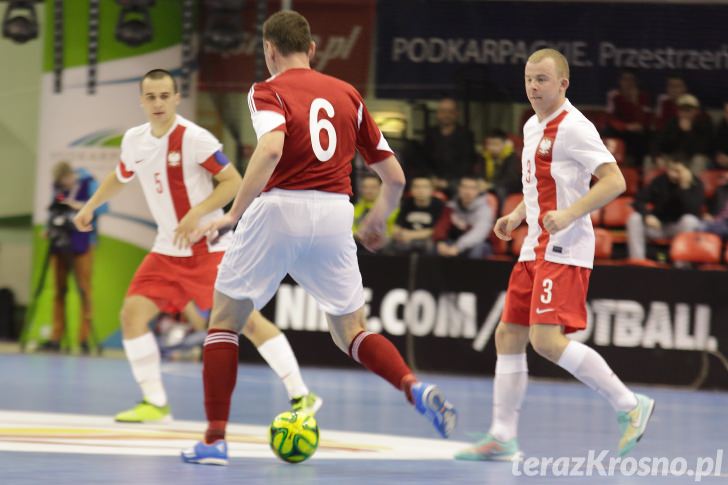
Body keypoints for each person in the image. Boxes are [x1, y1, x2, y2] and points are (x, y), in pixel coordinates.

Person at [180, 10, 456, 466]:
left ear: (269, 50)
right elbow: (396, 177)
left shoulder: (266, 90)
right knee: (351, 332)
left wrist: (233, 213)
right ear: (312, 49)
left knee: (225, 322)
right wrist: (378, 220)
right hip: (333, 213)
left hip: (279, 207)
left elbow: (270, 149)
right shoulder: (347, 93)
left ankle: (214, 441)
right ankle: (413, 385)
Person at [74, 69, 320, 423]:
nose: (158, 102)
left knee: (247, 322)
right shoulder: (134, 140)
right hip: (167, 250)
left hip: (211, 249)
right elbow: (120, 175)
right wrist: (90, 206)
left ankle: (302, 394)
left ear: (176, 98)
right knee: (132, 315)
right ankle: (155, 403)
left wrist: (196, 213)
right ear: (142, 100)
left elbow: (233, 182)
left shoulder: (195, 138)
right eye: (151, 96)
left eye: (164, 96)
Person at [455, 49, 654, 462]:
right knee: (507, 334)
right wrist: (513, 217)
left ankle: (630, 404)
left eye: (542, 79)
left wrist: (568, 214)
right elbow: (538, 190)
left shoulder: (576, 128)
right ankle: (502, 437)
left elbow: (614, 181)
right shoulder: (531, 126)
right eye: (529, 78)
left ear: (563, 83)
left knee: (545, 341)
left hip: (564, 248)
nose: (533, 86)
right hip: (533, 247)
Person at [40, 161, 106, 353]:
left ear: (71, 176)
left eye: (67, 182)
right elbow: (55, 210)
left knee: (84, 290)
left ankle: (84, 338)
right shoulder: (58, 187)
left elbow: (103, 208)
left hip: (84, 242)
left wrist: (80, 206)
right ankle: (56, 337)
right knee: (59, 291)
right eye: (62, 184)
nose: (65, 187)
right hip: (61, 242)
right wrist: (48, 228)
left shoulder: (88, 182)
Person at [626, 154, 704, 261]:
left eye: (677, 171)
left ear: (687, 171)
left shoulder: (695, 184)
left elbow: (693, 210)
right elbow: (638, 200)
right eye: (671, 169)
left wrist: (684, 187)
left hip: (678, 227)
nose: (672, 174)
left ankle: (682, 263)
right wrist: (647, 216)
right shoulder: (660, 181)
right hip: (658, 225)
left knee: (690, 220)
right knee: (634, 218)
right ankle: (637, 261)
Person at [423, 96, 478, 192]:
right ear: (437, 114)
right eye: (443, 111)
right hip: (433, 180)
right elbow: (423, 160)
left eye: (450, 112)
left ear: (457, 113)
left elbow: (468, 162)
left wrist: (448, 182)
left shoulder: (466, 134)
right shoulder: (430, 134)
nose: (446, 115)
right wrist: (432, 177)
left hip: (457, 181)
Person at [433, 176, 494, 258]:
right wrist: (440, 242)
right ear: (458, 189)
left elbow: (479, 233)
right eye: (464, 187)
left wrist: (458, 247)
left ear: (478, 191)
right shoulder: (450, 206)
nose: (468, 191)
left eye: (472, 188)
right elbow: (442, 226)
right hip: (453, 241)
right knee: (435, 247)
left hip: (477, 243)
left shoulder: (486, 210)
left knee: (477, 249)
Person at [656, 94, 713, 174]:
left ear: (697, 111)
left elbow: (700, 150)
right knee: (651, 159)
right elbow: (661, 143)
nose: (684, 113)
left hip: (694, 159)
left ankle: (692, 186)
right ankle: (655, 186)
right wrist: (657, 156)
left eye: (688, 110)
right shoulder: (672, 123)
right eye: (681, 110)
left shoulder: (704, 123)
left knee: (698, 160)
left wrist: (688, 132)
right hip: (674, 158)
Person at [605, 70, 652, 166]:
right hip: (620, 129)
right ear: (620, 81)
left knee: (645, 136)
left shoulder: (643, 97)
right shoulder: (614, 95)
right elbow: (610, 118)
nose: (628, 83)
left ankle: (636, 167)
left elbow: (645, 120)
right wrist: (626, 126)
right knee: (607, 131)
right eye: (625, 80)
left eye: (631, 80)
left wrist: (635, 101)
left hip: (637, 131)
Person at [391, 176, 444, 253]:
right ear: (411, 190)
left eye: (425, 187)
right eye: (417, 187)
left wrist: (411, 235)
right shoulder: (407, 203)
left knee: (430, 245)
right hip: (406, 238)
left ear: (432, 190)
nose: (420, 190)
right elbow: (397, 224)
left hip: (426, 239)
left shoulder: (439, 205)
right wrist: (398, 234)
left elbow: (435, 230)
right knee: (389, 243)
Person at [477, 129, 523, 203]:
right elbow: (479, 173)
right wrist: (480, 181)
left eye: (496, 144)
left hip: (508, 187)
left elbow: (511, 178)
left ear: (504, 144)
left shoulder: (511, 156)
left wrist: (491, 185)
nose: (492, 147)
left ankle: (500, 214)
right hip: (488, 185)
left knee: (500, 190)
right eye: (489, 144)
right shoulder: (483, 156)